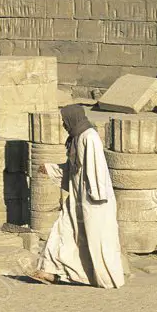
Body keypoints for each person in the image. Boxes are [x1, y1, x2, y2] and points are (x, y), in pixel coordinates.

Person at [29, 104, 125, 288]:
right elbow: (74, 170)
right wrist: (51, 168)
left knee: (96, 241)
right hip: (77, 198)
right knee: (63, 230)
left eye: (65, 121)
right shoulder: (76, 138)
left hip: (94, 202)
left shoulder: (90, 137)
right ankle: (50, 271)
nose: (63, 124)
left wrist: (95, 196)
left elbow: (96, 169)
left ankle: (106, 279)